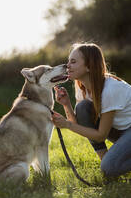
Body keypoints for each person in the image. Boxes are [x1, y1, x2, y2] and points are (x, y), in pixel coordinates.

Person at [52, 43, 131, 177]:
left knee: (109, 167)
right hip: (122, 130)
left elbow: (101, 135)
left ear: (89, 66)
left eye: (73, 62)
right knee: (82, 108)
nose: (68, 65)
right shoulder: (82, 87)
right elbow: (78, 125)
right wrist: (66, 104)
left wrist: (66, 124)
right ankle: (108, 163)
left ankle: (110, 166)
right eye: (68, 61)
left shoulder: (110, 89)